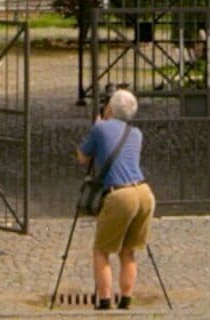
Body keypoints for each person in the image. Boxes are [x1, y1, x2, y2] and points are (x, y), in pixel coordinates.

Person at [79, 86, 153, 310]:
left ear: (109, 108)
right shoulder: (136, 133)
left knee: (101, 250)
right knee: (128, 251)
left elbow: (83, 157)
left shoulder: (100, 130)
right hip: (144, 193)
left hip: (120, 194)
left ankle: (103, 301)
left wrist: (97, 126)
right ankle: (126, 300)